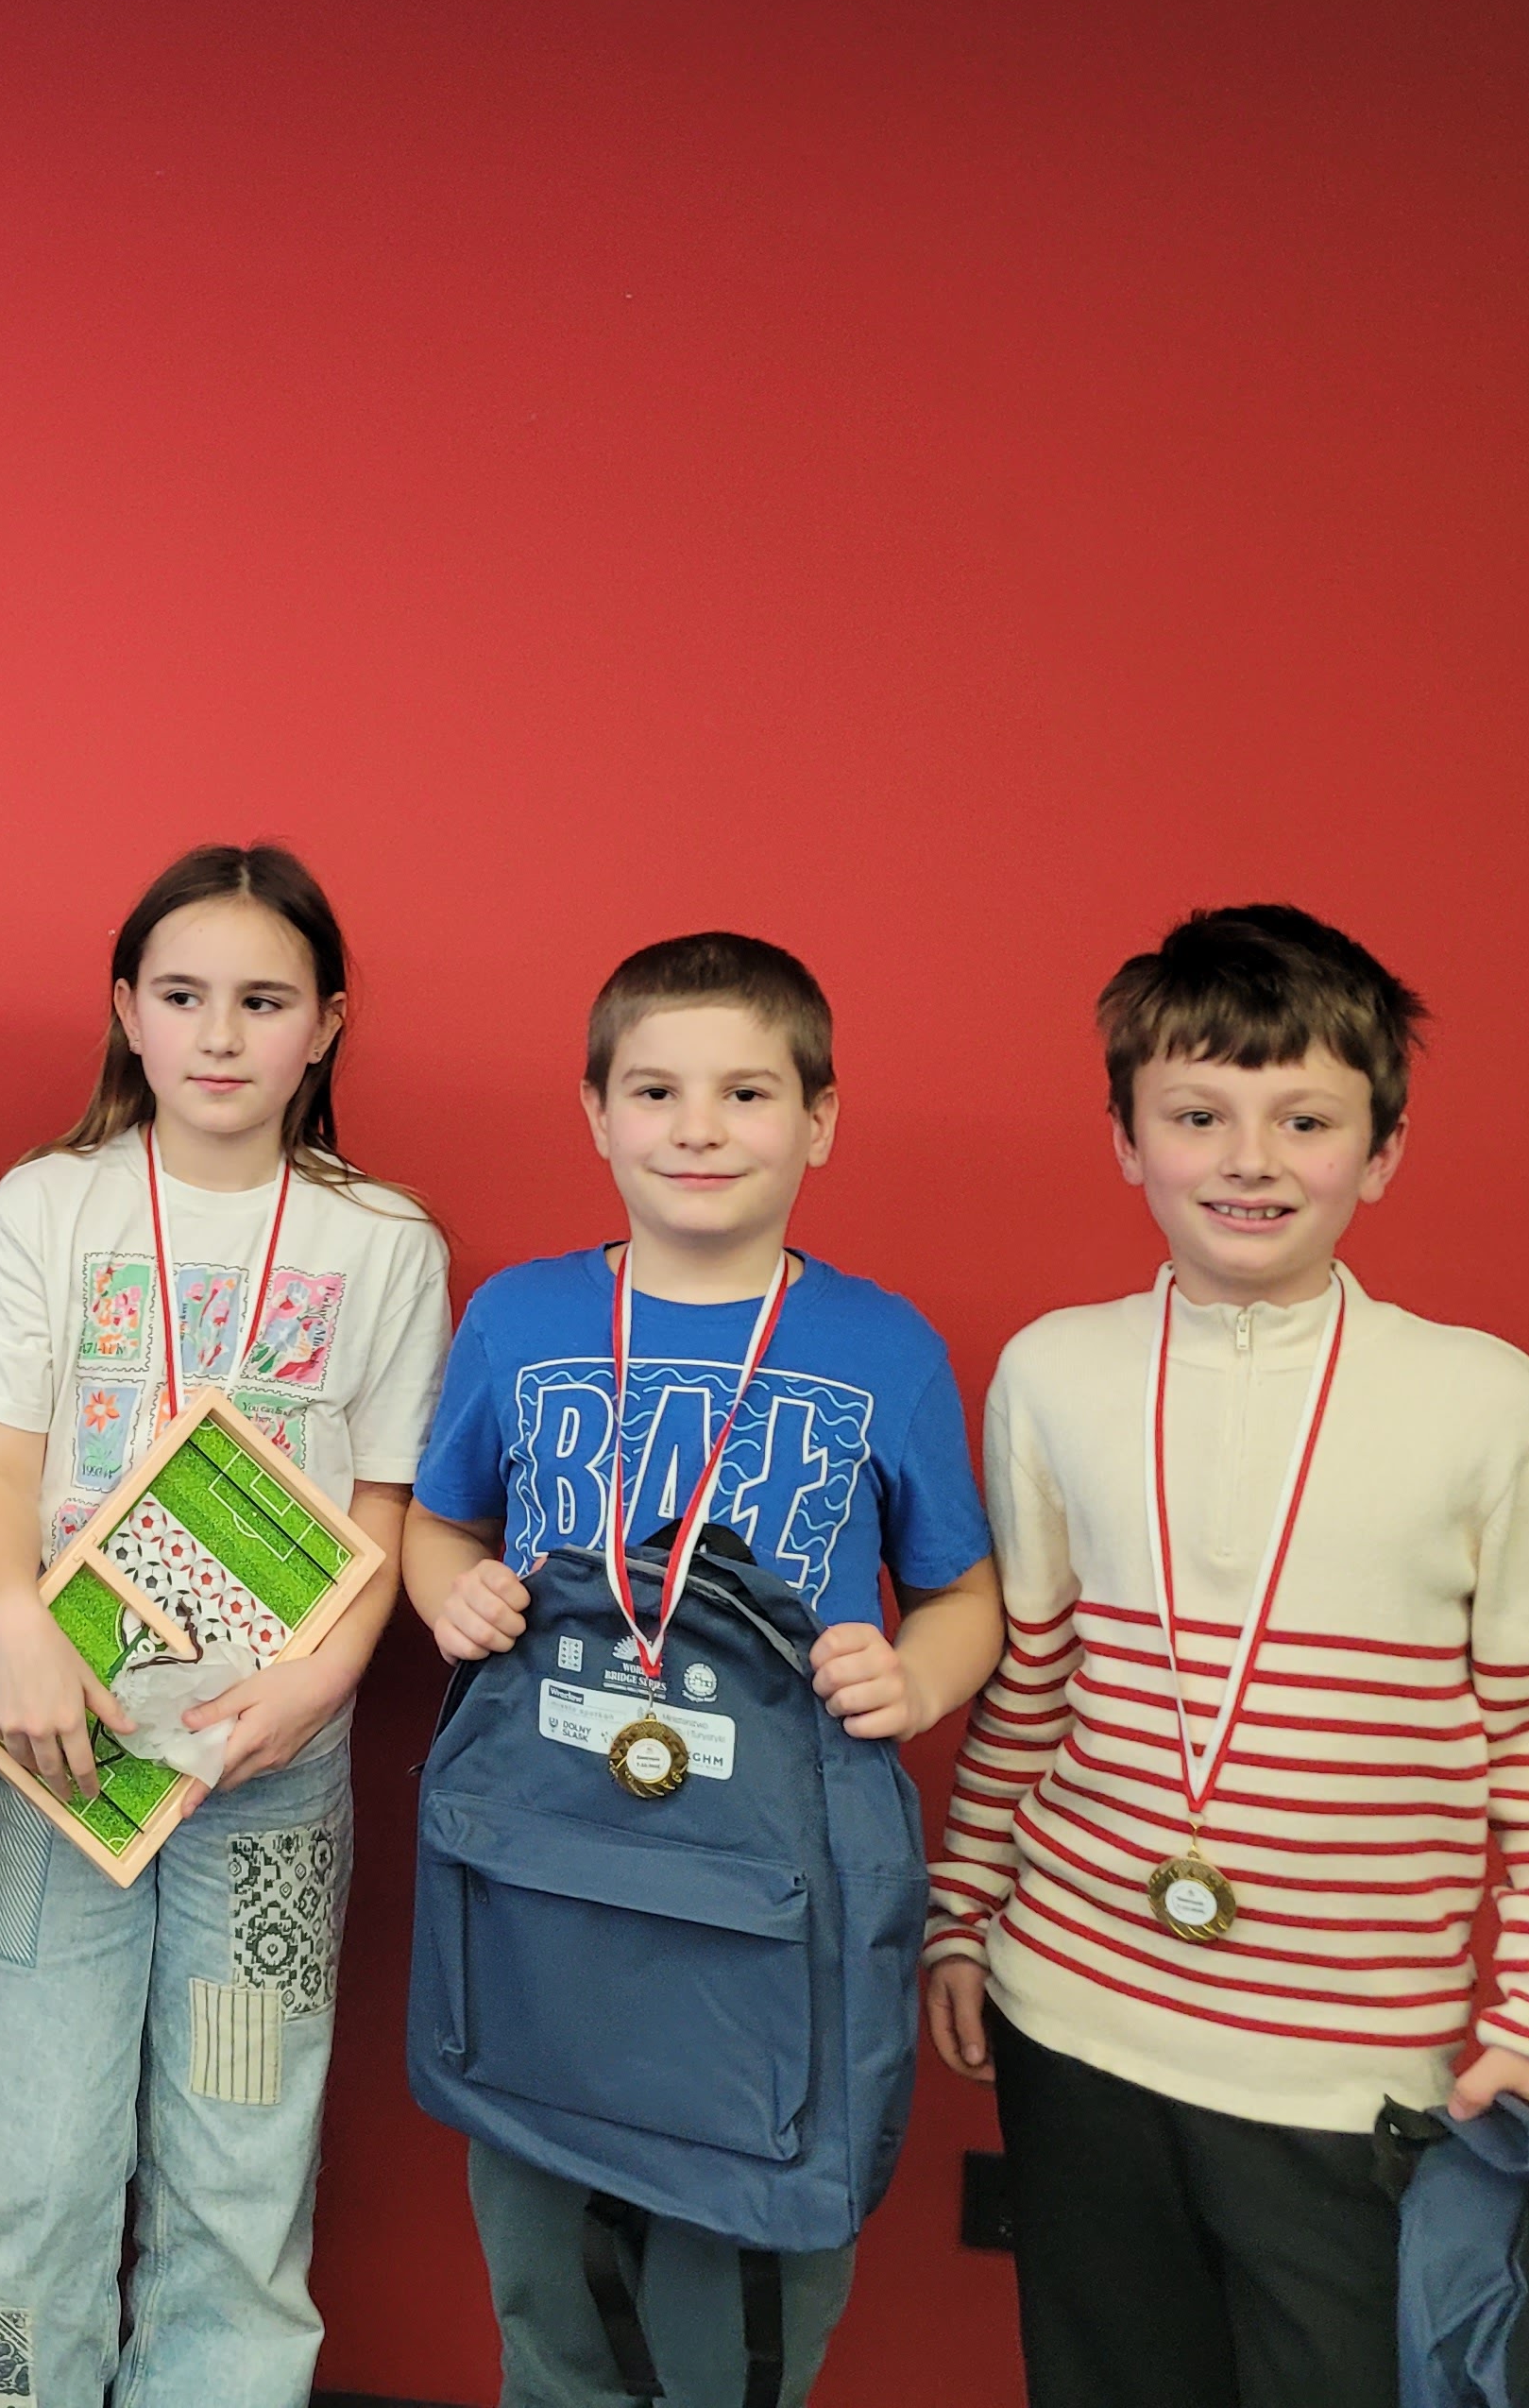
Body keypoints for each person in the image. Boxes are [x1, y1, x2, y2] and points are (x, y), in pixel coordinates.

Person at [922, 906, 1529, 2408]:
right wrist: (962, 1911)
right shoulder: (1052, 1371)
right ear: (1127, 1140)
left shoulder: (1485, 1402)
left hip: (1355, 2071)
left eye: (1305, 1120)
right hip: (1074, 2021)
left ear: (1380, 1152)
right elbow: (1033, 1681)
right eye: (1197, 1116)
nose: (1249, 1160)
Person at [401, 931, 1001, 2408]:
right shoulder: (521, 1316)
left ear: (821, 1120)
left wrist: (918, 1679)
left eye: (747, 1093)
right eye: (657, 1091)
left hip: (773, 1893)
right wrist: (446, 1592)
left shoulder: (883, 1345)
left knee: (749, 2308)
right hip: (550, 1869)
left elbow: (965, 1593)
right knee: (547, 2277)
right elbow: (439, 1518)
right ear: (596, 1113)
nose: (698, 1128)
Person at [0, 844, 451, 2408]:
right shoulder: (48, 1204)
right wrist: (15, 1625)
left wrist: (325, 1680)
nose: (221, 1036)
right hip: (61, 1750)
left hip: (268, 1765)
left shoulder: (384, 1242)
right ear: (126, 1011)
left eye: (265, 1001)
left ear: (327, 1024)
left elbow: (387, 1504)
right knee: (31, 2157)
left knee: (240, 2160)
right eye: (182, 996)